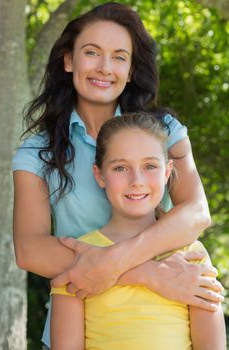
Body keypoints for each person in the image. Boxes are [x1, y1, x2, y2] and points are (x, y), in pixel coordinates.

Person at [12, 2, 223, 349]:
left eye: (119, 57)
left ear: (130, 69)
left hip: (165, 317)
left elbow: (196, 212)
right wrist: (146, 274)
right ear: (69, 61)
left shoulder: (163, 131)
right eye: (92, 52)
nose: (105, 68)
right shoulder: (38, 151)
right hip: (78, 321)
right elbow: (30, 249)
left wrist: (116, 261)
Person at [50, 112, 226, 350]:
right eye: (121, 168)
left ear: (167, 172)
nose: (137, 180)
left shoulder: (191, 255)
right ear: (99, 175)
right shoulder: (81, 255)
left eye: (150, 166)